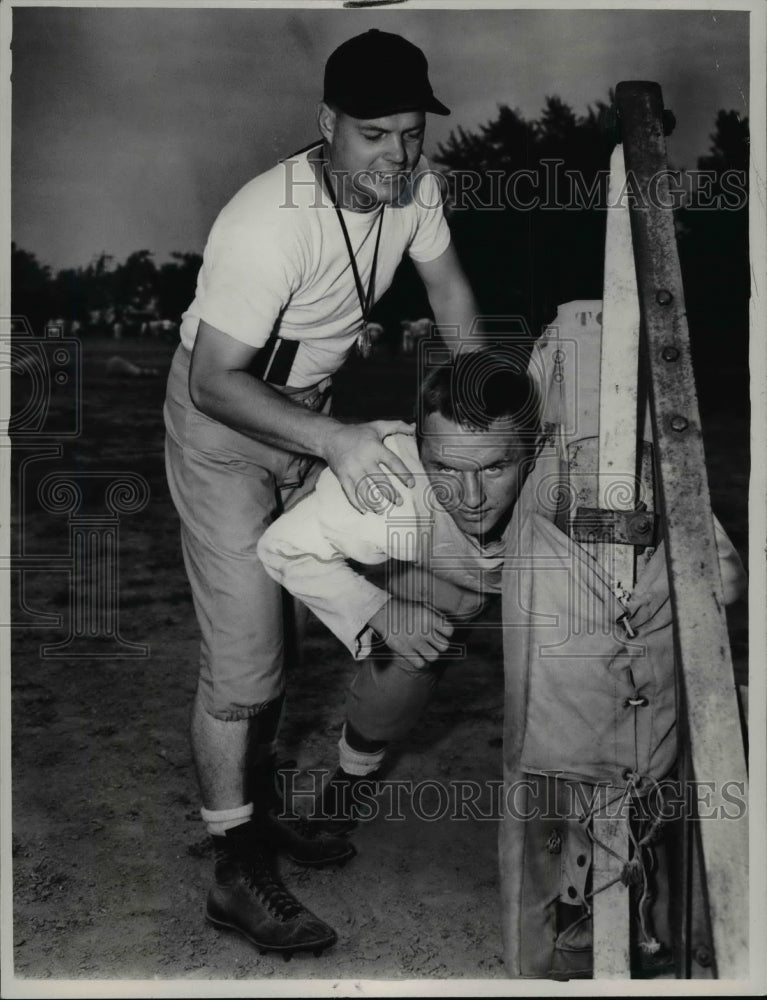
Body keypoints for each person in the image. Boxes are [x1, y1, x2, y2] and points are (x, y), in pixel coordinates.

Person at [163, 28, 480, 958]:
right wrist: (334, 440)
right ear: (326, 126)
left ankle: (278, 806)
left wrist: (483, 414)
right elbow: (215, 381)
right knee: (247, 660)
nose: (399, 155)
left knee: (308, 631)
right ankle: (235, 866)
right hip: (226, 426)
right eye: (374, 134)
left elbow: (453, 299)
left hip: (312, 418)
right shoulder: (268, 219)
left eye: (411, 133)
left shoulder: (416, 188)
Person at [257, 348, 748, 832]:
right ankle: (352, 777)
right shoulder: (391, 484)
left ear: (531, 450)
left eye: (494, 467)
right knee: (403, 667)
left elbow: (722, 579)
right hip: (436, 573)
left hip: (535, 569)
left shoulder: (572, 470)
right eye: (446, 468)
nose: (471, 499)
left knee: (588, 652)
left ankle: (600, 796)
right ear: (418, 446)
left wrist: (637, 548)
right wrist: (378, 609)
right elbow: (281, 547)